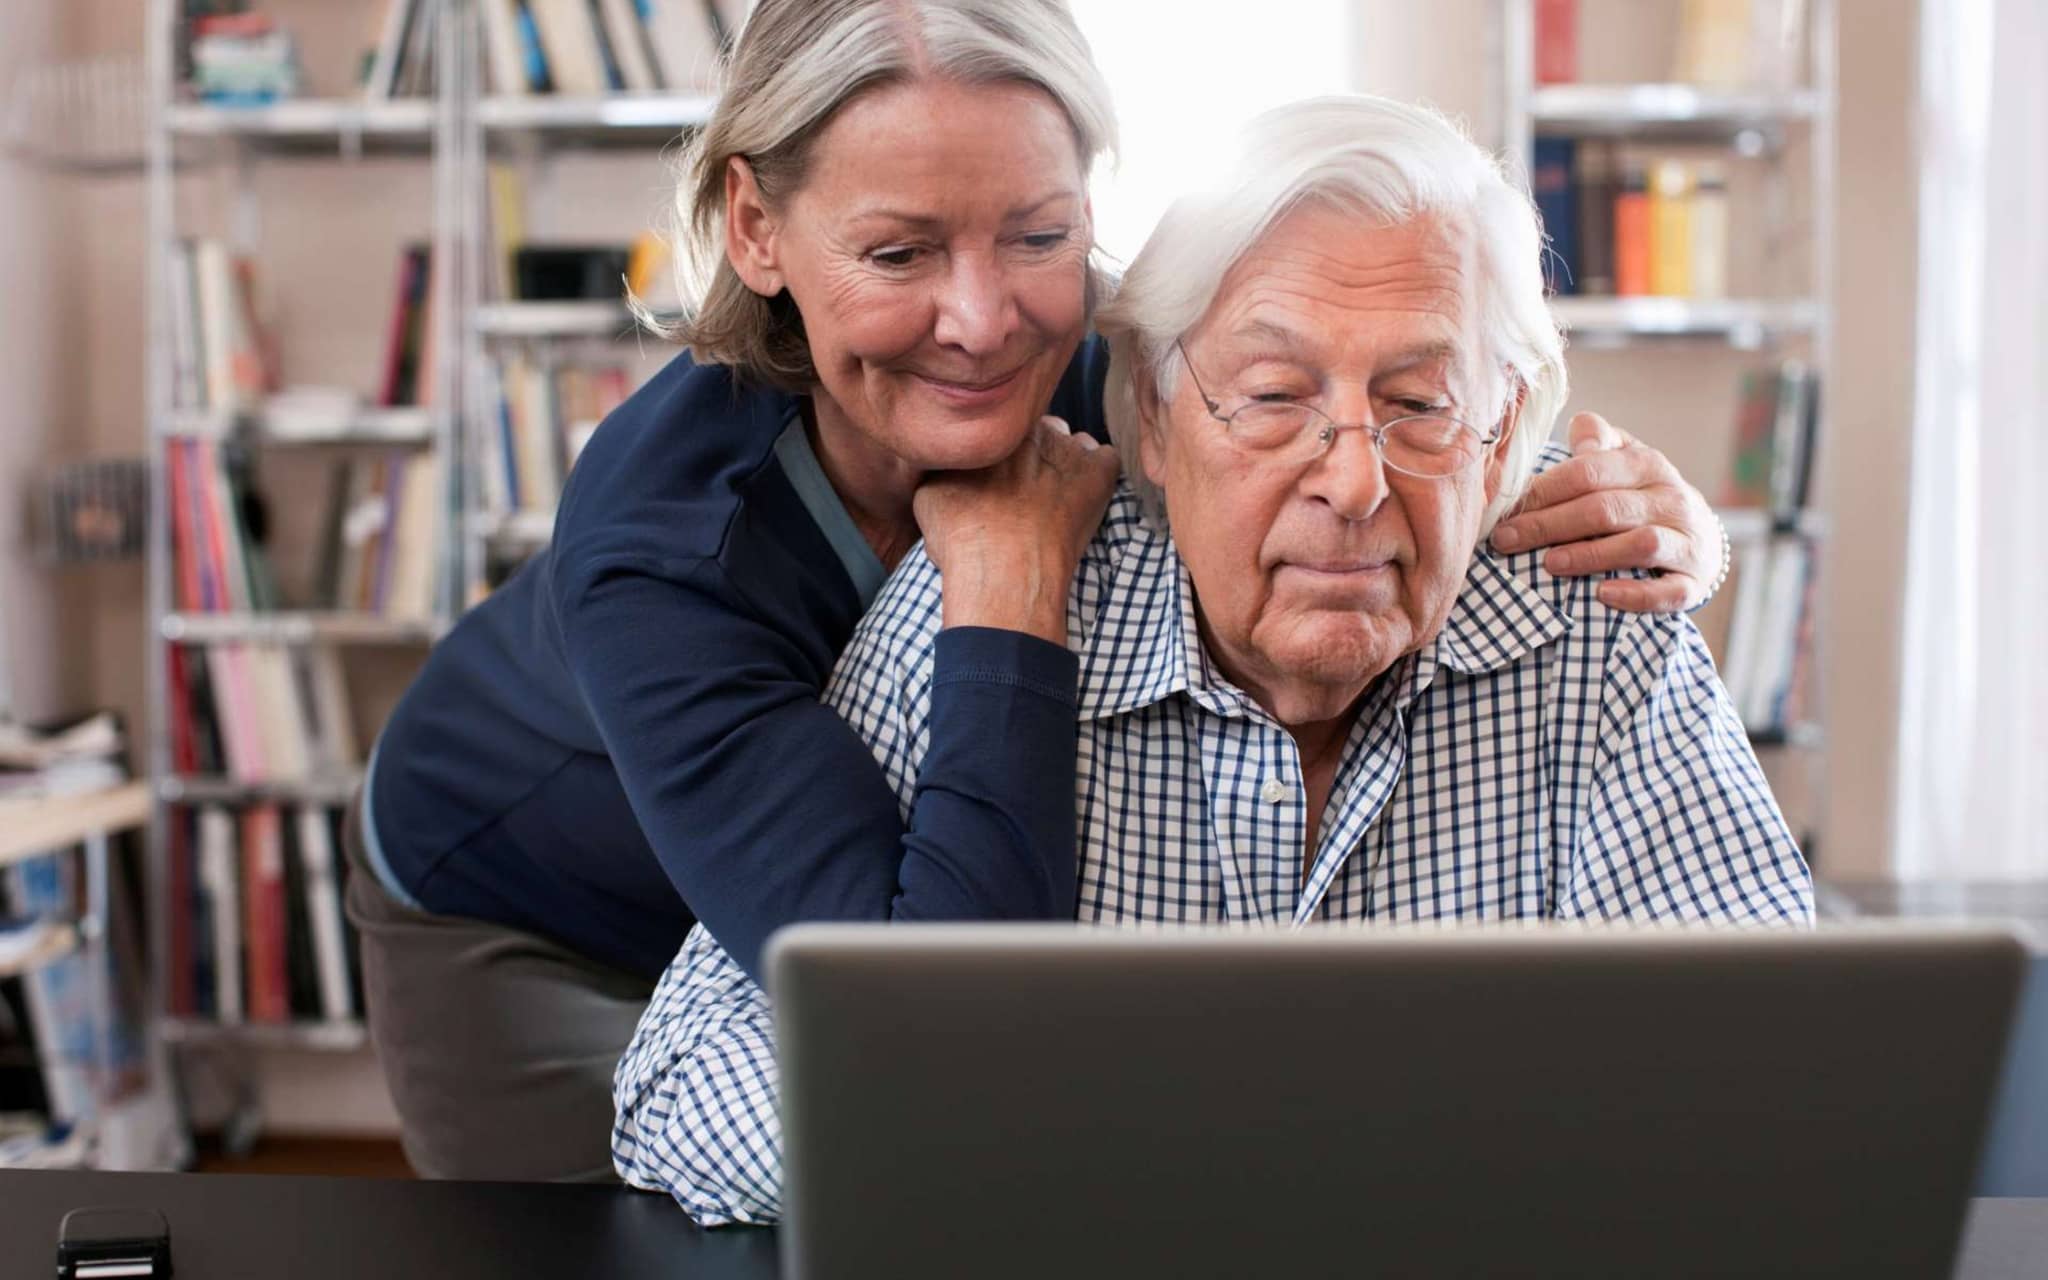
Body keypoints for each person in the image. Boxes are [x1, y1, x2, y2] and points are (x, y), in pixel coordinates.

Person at [347, 0, 1736, 1181]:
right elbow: (934, 1023)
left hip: (864, 911)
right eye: (899, 252)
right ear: (757, 230)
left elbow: (1384, 391)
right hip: (540, 913)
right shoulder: (663, 548)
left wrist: (1663, 525)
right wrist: (1008, 591)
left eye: (1037, 233)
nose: (985, 319)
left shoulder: (1121, 351)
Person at [611, 92, 1813, 1225]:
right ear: (1150, 415)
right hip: (511, 865)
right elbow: (683, 1092)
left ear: (1502, 430)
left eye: (1421, 400)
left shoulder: (1588, 612)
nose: (1352, 480)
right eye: (1273, 397)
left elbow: (1777, 1075)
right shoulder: (986, 598)